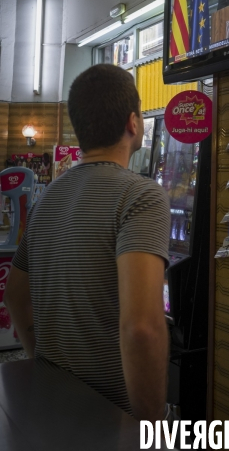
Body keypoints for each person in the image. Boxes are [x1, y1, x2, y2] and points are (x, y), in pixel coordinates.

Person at [4, 64, 170, 424]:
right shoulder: (141, 196)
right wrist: (151, 427)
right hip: (110, 417)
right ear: (133, 123)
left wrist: (41, 363)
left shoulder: (48, 197)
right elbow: (142, 327)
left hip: (51, 405)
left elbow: (14, 295)